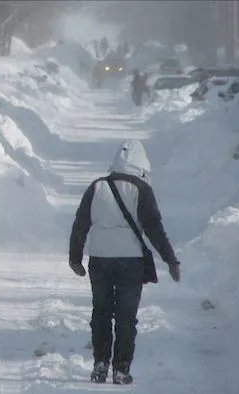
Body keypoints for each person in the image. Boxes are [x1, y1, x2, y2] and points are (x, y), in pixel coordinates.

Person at [68, 140, 181, 385]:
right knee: (126, 317)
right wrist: (170, 260)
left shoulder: (96, 187)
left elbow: (80, 224)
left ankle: (100, 364)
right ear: (142, 163)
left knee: (101, 312)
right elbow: (154, 230)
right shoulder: (141, 189)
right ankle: (121, 370)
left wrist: (75, 257)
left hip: (99, 259)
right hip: (130, 262)